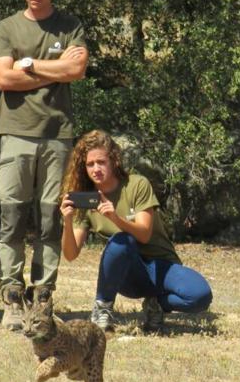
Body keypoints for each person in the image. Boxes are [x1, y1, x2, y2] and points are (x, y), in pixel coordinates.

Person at [0, 0, 87, 330]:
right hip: (15, 132)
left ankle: (42, 296)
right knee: (11, 214)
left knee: (51, 217)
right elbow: (4, 80)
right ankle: (12, 297)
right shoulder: (7, 27)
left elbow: (77, 69)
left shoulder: (69, 26)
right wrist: (54, 70)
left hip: (58, 136)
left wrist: (28, 64)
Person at [59, 130, 212, 332]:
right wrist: (67, 221)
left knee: (200, 296)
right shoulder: (86, 199)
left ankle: (156, 304)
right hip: (128, 275)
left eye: (101, 162)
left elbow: (144, 234)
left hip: (160, 266)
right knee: (121, 242)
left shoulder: (136, 185)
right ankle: (102, 309)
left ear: (113, 160)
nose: (96, 169)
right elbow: (70, 254)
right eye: (90, 164)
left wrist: (114, 217)